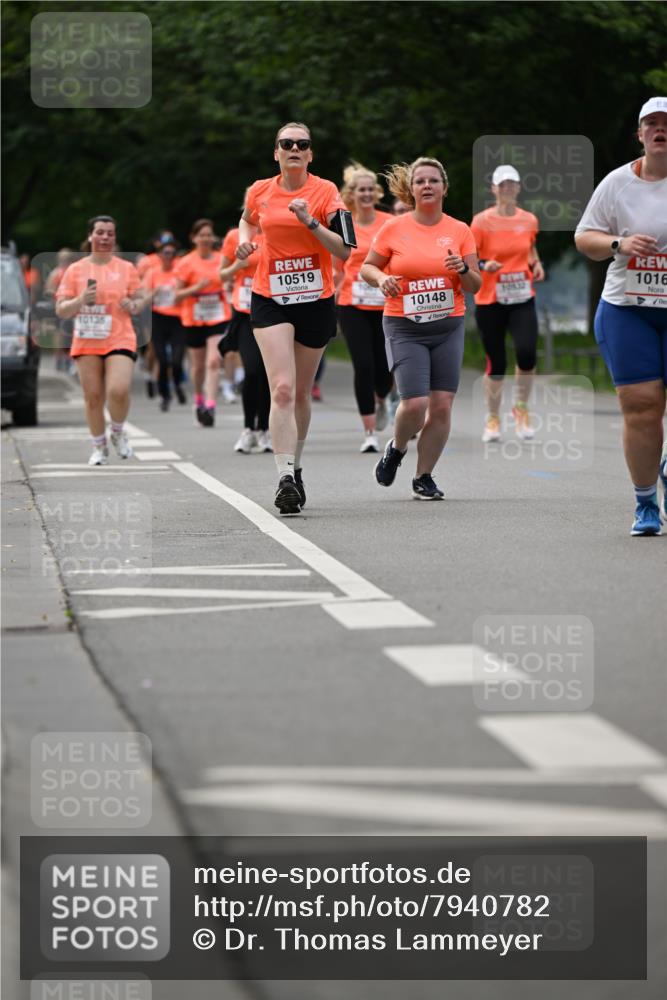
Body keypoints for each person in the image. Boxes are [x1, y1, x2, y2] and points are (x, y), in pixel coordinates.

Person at [236, 121, 350, 514]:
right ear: (276, 153)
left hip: (315, 298)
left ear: (310, 154)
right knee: (282, 389)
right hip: (271, 296)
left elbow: (345, 249)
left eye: (302, 144)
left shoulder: (326, 191)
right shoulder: (260, 190)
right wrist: (243, 242)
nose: (294, 149)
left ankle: (297, 467)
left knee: (301, 392)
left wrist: (310, 222)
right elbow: (248, 219)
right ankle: (284, 477)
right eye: (287, 143)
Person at [360, 157, 481, 499]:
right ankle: (396, 449)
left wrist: (461, 270)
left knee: (441, 404)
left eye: (433, 181)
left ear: (444, 187)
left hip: (448, 326)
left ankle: (423, 476)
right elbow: (368, 268)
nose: (427, 186)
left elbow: (474, 285)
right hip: (404, 325)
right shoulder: (394, 228)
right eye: (420, 181)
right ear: (411, 190)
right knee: (414, 404)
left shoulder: (460, 230)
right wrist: (383, 278)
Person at [575, 96, 667, 536]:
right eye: (651, 124)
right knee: (642, 405)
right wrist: (620, 245)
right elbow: (584, 237)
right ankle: (646, 502)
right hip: (628, 309)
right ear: (640, 134)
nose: (659, 130)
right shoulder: (617, 183)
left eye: (666, 123)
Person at [55, 215, 146, 465]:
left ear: (114, 238)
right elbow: (61, 310)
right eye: (100, 232)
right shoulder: (75, 270)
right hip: (87, 340)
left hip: (120, 336)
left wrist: (133, 304)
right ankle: (99, 446)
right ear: (90, 236)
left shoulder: (126, 268)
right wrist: (80, 299)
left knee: (118, 390)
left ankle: (117, 432)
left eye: (110, 233)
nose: (105, 237)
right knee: (93, 396)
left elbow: (140, 300)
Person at [470, 165, 544, 443]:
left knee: (527, 354)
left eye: (512, 184)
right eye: (502, 185)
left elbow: (529, 247)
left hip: (522, 295)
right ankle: (492, 417)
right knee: (497, 362)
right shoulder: (480, 222)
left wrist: (536, 263)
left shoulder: (529, 220)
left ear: (519, 187)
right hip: (490, 298)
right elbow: (468, 258)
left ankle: (521, 408)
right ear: (494, 189)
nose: (507, 189)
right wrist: (483, 264)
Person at [337, 162, 393, 453]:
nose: (367, 193)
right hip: (352, 303)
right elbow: (336, 262)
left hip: (385, 303)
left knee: (385, 369)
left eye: (371, 189)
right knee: (363, 365)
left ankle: (383, 398)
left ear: (377, 192)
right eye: (362, 189)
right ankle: (369, 432)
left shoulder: (388, 222)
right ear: (352, 194)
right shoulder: (345, 223)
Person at [220, 226, 272, 452]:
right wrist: (237, 266)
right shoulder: (234, 236)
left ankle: (265, 430)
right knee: (252, 371)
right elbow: (222, 274)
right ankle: (248, 429)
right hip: (244, 313)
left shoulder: (278, 232)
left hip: (273, 311)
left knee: (268, 374)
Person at [174, 219, 230, 427]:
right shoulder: (185, 263)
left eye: (209, 234)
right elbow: (176, 296)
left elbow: (229, 280)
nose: (206, 238)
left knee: (214, 361)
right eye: (202, 235)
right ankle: (198, 398)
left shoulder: (220, 259)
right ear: (194, 238)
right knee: (198, 366)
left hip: (217, 315)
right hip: (194, 318)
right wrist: (195, 288)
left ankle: (211, 404)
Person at [144, 238, 186, 411]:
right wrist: (156, 291)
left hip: (178, 320)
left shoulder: (180, 272)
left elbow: (188, 291)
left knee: (176, 361)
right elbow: (143, 298)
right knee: (162, 359)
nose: (169, 256)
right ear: (159, 255)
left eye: (172, 253)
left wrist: (179, 292)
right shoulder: (152, 273)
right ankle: (164, 395)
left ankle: (177, 384)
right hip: (158, 319)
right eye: (165, 253)